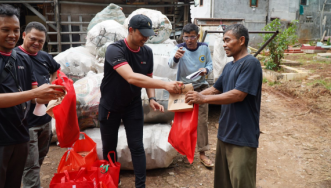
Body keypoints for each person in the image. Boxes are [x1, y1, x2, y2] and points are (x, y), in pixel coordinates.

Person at [99, 14, 183, 188]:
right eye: (142, 34)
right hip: (110, 106)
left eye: (148, 34)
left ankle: (140, 185)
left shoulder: (147, 51)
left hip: (132, 105)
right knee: (109, 148)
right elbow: (131, 77)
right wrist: (166, 85)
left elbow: (148, 77)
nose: (146, 38)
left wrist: (152, 97)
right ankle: (112, 181)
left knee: (137, 146)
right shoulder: (115, 50)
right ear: (131, 30)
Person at [0, 4, 65, 188]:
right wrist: (35, 93)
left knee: (15, 181)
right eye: (5, 29)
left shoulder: (22, 59)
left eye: (15, 30)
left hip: (20, 134)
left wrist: (56, 94)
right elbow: (31, 93)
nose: (12, 34)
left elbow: (35, 96)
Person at [185, 24, 262, 188]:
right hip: (225, 134)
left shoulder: (251, 63)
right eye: (223, 41)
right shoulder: (229, 66)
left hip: (242, 136)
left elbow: (239, 94)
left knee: (241, 183)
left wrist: (202, 99)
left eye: (227, 40)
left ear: (241, 40)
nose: (224, 44)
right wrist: (189, 94)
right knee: (223, 183)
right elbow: (214, 89)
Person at [15, 22, 61, 188]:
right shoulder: (15, 57)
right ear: (24, 35)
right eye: (33, 39)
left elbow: (56, 68)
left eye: (41, 41)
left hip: (44, 119)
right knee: (31, 164)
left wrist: (54, 85)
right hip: (26, 122)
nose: (37, 43)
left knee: (40, 158)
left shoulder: (44, 56)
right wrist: (38, 97)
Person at [168, 23, 214, 167]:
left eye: (192, 36)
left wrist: (205, 70)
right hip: (184, 90)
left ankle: (202, 153)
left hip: (201, 89)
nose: (189, 40)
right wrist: (176, 57)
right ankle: (180, 149)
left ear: (197, 36)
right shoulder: (179, 48)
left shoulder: (204, 48)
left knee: (201, 121)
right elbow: (171, 65)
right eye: (186, 37)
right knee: (182, 122)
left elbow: (210, 65)